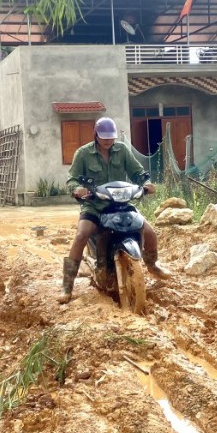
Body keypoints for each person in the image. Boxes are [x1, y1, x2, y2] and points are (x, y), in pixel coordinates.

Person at [58, 116, 170, 304]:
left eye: (111, 137)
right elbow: (72, 179)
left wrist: (146, 183)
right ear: (96, 134)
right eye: (104, 138)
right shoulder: (83, 153)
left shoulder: (122, 150)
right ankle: (67, 285)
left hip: (121, 203)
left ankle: (152, 265)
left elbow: (137, 171)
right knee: (81, 235)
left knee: (149, 232)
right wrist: (77, 189)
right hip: (94, 205)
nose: (108, 141)